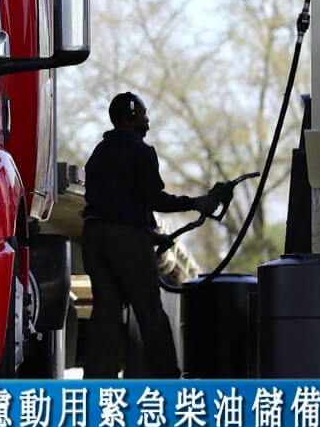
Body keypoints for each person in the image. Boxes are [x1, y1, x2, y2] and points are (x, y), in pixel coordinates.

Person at [80, 92, 220, 379]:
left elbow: (115, 205)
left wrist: (152, 237)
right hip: (126, 240)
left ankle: (96, 384)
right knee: (150, 311)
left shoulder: (99, 152)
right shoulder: (141, 152)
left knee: (105, 313)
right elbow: (154, 200)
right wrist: (196, 203)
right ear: (130, 116)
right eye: (144, 114)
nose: (147, 121)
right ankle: (167, 380)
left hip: (94, 237)